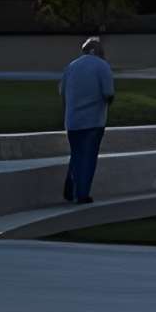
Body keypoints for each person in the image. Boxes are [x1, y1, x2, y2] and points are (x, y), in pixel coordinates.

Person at [61, 35, 115, 206]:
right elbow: (108, 92)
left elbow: (62, 91)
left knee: (77, 154)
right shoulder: (102, 66)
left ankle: (71, 188)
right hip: (93, 120)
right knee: (89, 157)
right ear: (97, 51)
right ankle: (82, 194)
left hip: (73, 120)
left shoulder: (71, 66)